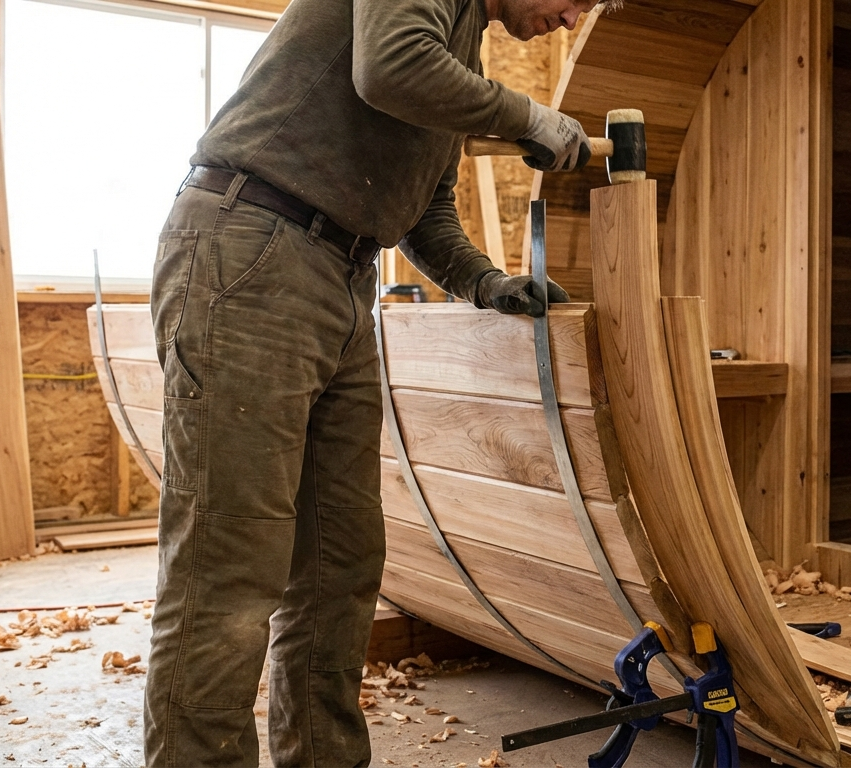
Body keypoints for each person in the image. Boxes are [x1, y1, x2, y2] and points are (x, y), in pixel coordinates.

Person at [143, 0, 606, 764]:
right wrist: (527, 116)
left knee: (340, 561)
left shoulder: (460, 54)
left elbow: (425, 210)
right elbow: (389, 66)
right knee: (230, 568)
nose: (570, 19)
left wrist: (484, 282)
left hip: (343, 272)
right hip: (255, 249)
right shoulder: (420, 38)